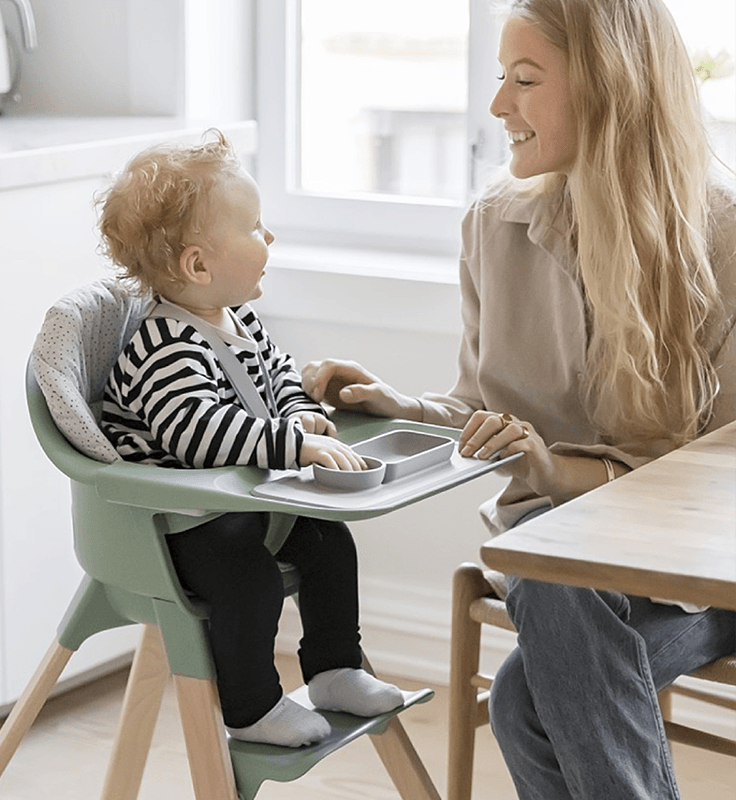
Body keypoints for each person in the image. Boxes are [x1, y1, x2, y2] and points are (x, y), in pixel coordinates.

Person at [302, 0, 736, 796]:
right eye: (501, 79)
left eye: (525, 81)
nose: (499, 106)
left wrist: (552, 471)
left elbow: (722, 480)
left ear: (613, 87)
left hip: (700, 571)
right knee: (550, 590)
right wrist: (404, 406)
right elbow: (491, 417)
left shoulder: (724, 237)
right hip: (557, 559)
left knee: (522, 699)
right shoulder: (492, 228)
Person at [97, 132, 404, 748]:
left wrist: (303, 418)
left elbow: (280, 378)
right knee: (249, 579)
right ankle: (252, 707)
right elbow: (197, 435)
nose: (270, 239)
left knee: (328, 542)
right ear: (199, 265)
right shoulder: (164, 346)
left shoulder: (239, 320)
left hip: (238, 504)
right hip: (177, 521)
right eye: (256, 227)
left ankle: (334, 668)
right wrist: (292, 447)